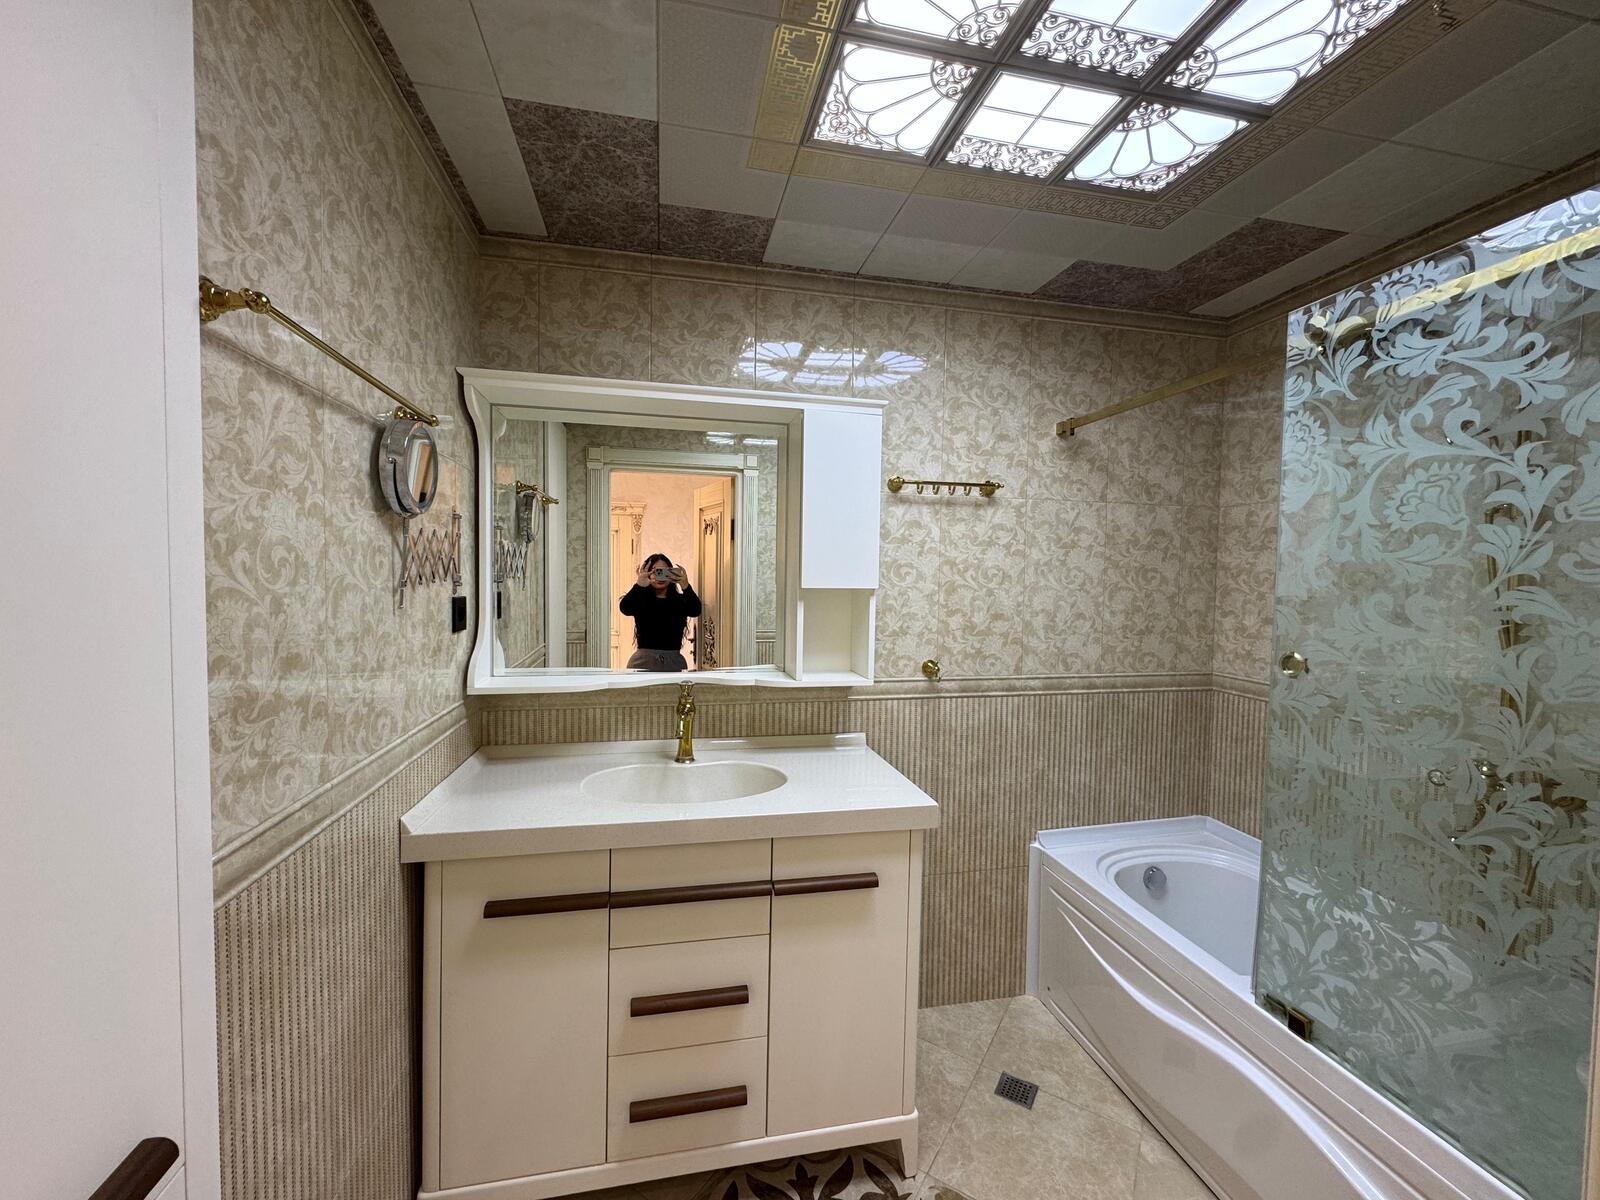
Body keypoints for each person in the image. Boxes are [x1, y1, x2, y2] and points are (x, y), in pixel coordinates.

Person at [619, 553, 701, 671]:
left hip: (674, 662)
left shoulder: (679, 600)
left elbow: (696, 610)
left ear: (671, 573)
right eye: (655, 571)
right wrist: (639, 585)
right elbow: (625, 608)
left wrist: (685, 585)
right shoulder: (641, 599)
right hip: (642, 663)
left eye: (665, 572)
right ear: (648, 573)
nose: (660, 576)